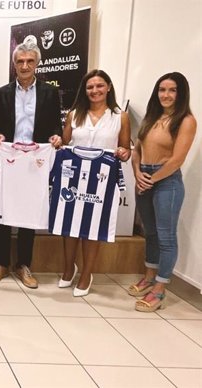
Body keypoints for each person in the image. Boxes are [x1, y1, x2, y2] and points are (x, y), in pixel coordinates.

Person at [0, 41, 63, 289]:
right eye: (20, 61)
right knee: (4, 211)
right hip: (10, 160)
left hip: (35, 161)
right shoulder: (2, 93)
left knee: (30, 212)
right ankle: (1, 263)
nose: (25, 66)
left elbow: (55, 125)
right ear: (14, 64)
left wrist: (55, 137)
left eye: (30, 61)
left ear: (37, 64)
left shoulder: (51, 93)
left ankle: (24, 265)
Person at [59, 69, 131, 296]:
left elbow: (126, 149)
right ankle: (69, 267)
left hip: (102, 181)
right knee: (69, 225)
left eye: (100, 86)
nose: (95, 90)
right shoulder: (74, 114)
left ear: (108, 87)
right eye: (90, 87)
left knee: (92, 227)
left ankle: (86, 273)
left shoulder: (120, 117)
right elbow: (64, 141)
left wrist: (123, 152)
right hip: (73, 178)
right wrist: (56, 140)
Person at [130, 72, 196, 312]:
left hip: (166, 181)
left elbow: (177, 159)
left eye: (172, 90)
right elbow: (137, 150)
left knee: (166, 237)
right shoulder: (152, 116)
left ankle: (159, 289)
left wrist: (151, 179)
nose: (166, 95)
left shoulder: (186, 120)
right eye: (162, 90)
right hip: (145, 177)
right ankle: (149, 278)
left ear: (181, 93)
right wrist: (138, 173)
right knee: (150, 233)